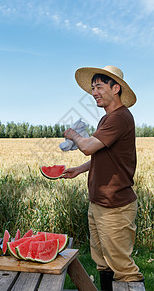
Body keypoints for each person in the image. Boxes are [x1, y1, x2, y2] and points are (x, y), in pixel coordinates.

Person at [62, 66, 145, 291]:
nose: (94, 92)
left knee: (124, 269)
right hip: (99, 203)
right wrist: (79, 169)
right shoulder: (107, 119)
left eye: (99, 87)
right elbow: (105, 157)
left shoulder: (120, 117)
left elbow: (88, 147)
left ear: (115, 88)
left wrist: (73, 135)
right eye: (92, 88)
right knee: (103, 263)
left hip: (115, 206)